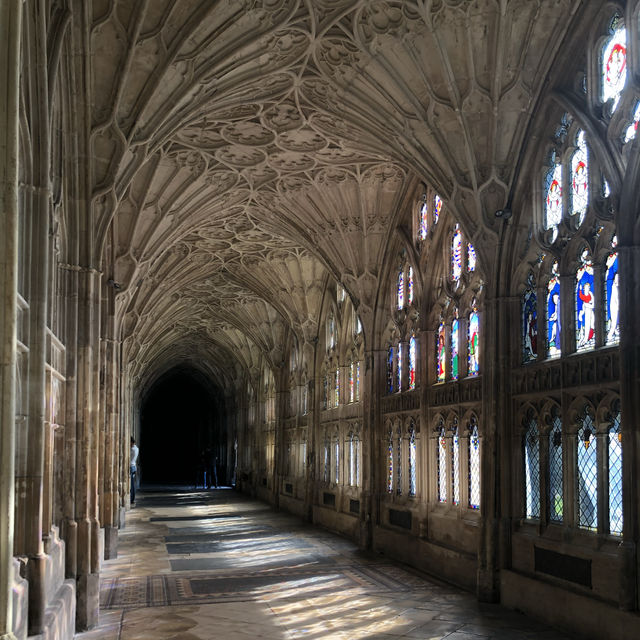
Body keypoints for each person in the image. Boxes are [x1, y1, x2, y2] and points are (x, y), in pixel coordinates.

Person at [130, 437, 139, 506]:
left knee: (131, 485)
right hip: (134, 467)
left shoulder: (132, 449)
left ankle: (132, 499)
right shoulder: (136, 448)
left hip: (131, 467)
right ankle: (132, 499)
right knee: (132, 484)